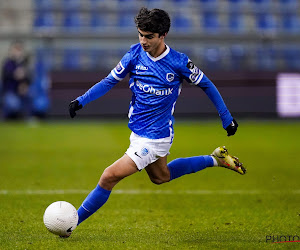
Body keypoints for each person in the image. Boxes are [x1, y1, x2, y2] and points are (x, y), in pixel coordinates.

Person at [68, 7, 246, 234]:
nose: (143, 40)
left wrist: (226, 118)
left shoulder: (178, 62)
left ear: (163, 35)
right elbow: (108, 81)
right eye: (141, 34)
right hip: (137, 132)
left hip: (156, 136)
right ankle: (216, 159)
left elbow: (207, 84)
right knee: (161, 177)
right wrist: (81, 100)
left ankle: (72, 223)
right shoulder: (133, 55)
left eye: (149, 36)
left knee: (108, 176)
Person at [1, 41, 31, 119]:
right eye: (16, 49)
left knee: (31, 94)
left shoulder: (23, 64)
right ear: (11, 51)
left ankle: (28, 117)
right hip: (10, 92)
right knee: (13, 104)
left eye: (19, 50)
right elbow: (5, 76)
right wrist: (15, 75)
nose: (17, 52)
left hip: (21, 92)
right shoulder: (8, 63)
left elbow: (28, 79)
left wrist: (24, 84)